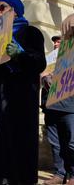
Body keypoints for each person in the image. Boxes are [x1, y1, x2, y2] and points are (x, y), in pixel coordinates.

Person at [0, 0, 46, 185]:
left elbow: (39, 63)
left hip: (18, 98)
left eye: (2, 7)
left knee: (18, 142)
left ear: (15, 11)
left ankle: (18, 179)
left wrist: (21, 54)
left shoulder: (31, 32)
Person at [41, 36, 65, 185]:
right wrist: (44, 77)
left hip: (67, 106)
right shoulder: (49, 59)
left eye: (59, 41)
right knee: (55, 141)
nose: (56, 43)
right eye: (55, 41)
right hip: (50, 105)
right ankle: (59, 173)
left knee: (70, 141)